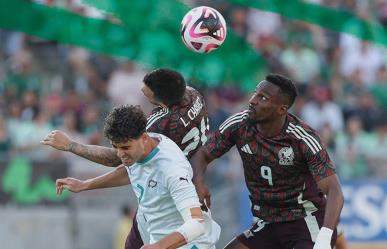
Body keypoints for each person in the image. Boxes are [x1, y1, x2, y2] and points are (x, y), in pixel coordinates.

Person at [41, 68, 209, 248]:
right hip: (166, 197)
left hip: (171, 206)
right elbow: (129, 166)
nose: (141, 93)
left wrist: (71, 146)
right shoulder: (192, 95)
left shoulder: (158, 131)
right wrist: (85, 184)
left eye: (147, 94)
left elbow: (117, 159)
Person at [191, 74, 344, 249]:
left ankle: (336, 235)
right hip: (268, 223)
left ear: (281, 109)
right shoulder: (240, 124)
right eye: (255, 93)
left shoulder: (302, 138)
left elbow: (334, 191)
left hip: (305, 221)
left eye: (262, 98)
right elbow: (202, 154)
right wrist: (199, 182)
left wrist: (324, 237)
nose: (252, 100)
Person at [55, 105, 220, 249]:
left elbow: (196, 224)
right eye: (115, 147)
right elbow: (129, 172)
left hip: (189, 244)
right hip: (158, 239)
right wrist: (85, 185)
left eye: (125, 147)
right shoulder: (139, 152)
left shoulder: (171, 169)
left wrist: (159, 246)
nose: (120, 154)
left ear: (144, 138)